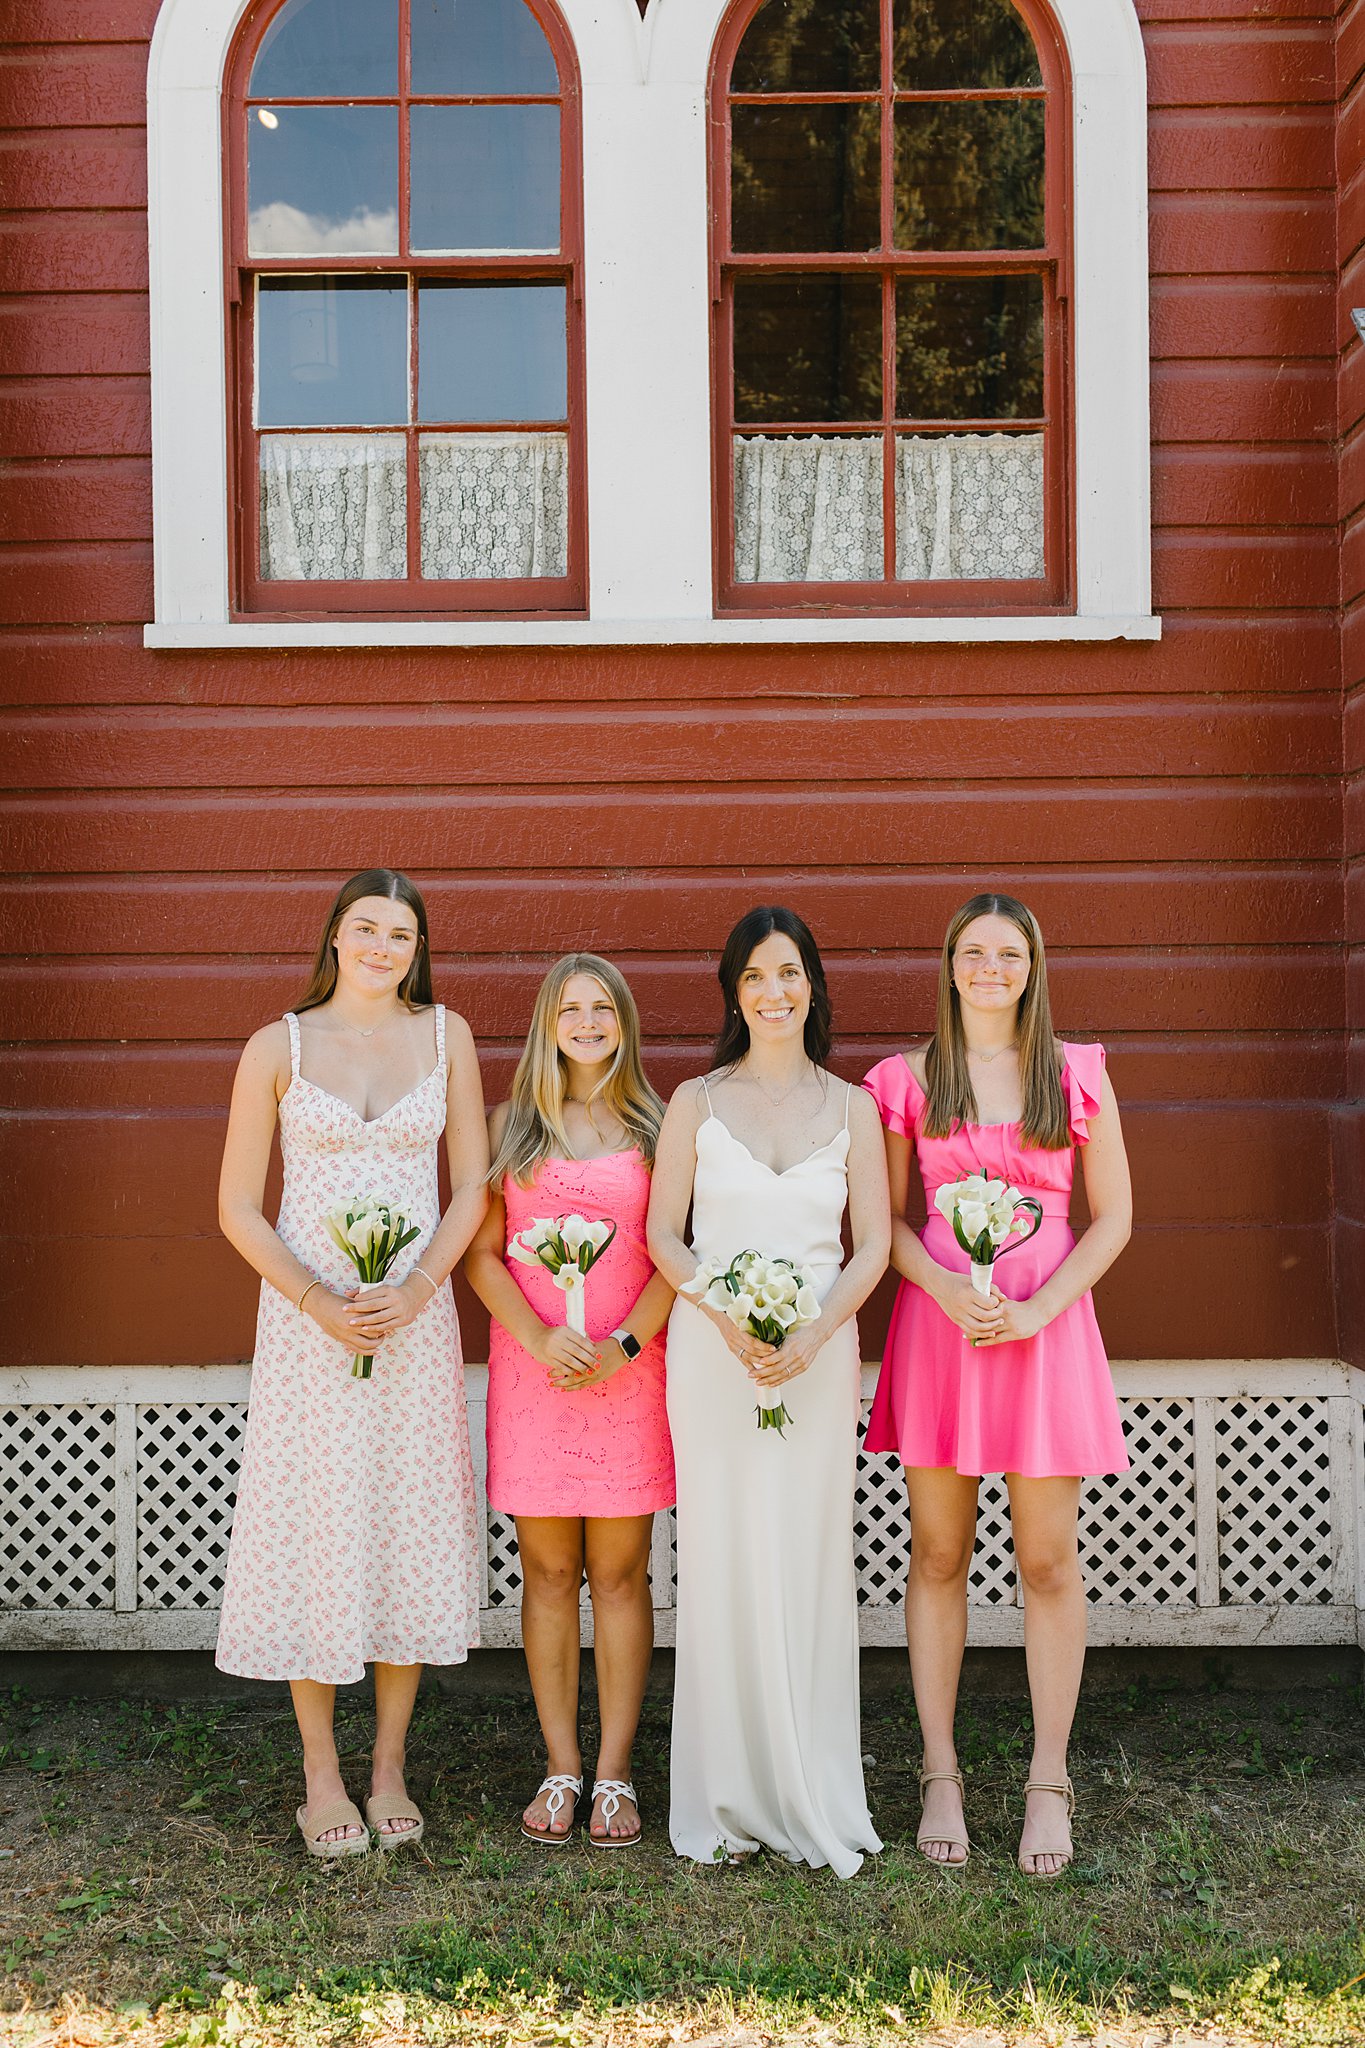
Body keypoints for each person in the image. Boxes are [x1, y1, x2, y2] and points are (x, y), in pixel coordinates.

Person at [216, 868, 488, 1858]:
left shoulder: (445, 1036)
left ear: (419, 948)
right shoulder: (276, 1046)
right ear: (335, 935)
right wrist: (317, 1301)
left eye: (402, 933)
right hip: (307, 1327)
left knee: (402, 1518)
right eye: (366, 927)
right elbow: (239, 1206)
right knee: (318, 1523)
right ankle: (321, 1768)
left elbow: (471, 1187)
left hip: (412, 1321)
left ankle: (388, 1765)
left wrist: (416, 1290)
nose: (382, 946)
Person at [863, 891, 1132, 1879]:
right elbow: (885, 1218)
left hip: (1044, 1334)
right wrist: (942, 1285)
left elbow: (1113, 1218)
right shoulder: (907, 1079)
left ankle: (1048, 1778)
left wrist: (1035, 1306)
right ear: (949, 964)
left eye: (1008, 952)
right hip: (944, 1335)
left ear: (1032, 965)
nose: (989, 966)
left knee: (1048, 1560)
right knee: (937, 1554)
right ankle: (941, 1768)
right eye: (973, 951)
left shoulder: (1076, 1075)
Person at [647, 906, 890, 1877]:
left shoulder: (854, 1107)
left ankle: (811, 1781)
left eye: (788, 973)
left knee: (807, 1558)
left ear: (812, 985)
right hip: (714, 1357)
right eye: (754, 976)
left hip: (820, 1356)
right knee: (722, 1555)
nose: (773, 991)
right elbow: (666, 1234)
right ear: (734, 992)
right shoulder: (696, 1102)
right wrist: (725, 1311)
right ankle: (727, 1789)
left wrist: (816, 1327)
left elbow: (872, 1241)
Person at [465, 955, 674, 1848]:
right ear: (547, 1022)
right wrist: (540, 1336)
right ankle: (560, 1764)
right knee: (548, 1573)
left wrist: (623, 1344)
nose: (587, 1023)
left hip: (630, 1373)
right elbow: (480, 1256)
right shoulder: (507, 1127)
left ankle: (616, 1772)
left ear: (623, 1022)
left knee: (621, 1576)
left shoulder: (657, 1129)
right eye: (570, 1009)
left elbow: (674, 1256)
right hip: (534, 1374)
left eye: (603, 1009)